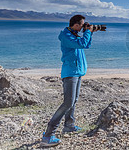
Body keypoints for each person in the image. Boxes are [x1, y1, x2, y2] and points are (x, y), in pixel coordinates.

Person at [40, 15, 99, 147]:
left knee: (74, 100)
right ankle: (48, 135)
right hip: (70, 72)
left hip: (77, 71)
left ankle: (69, 125)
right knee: (67, 103)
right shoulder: (67, 36)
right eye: (82, 25)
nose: (83, 27)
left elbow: (86, 45)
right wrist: (88, 32)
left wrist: (89, 33)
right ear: (76, 25)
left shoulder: (74, 34)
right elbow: (82, 43)